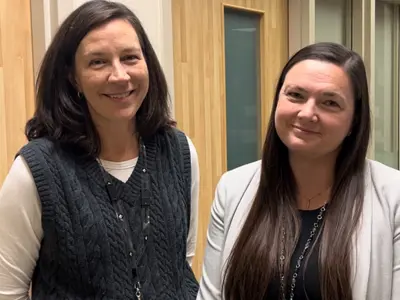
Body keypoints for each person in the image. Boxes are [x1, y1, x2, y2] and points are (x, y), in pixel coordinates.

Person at [0, 1, 199, 299]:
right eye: (98, 62)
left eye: (130, 57)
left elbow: (181, 263)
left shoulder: (179, 152)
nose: (119, 76)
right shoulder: (36, 170)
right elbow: (7, 290)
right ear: (72, 77)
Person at [197, 42, 400, 300]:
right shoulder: (233, 188)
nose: (307, 113)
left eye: (330, 103)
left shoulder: (393, 197)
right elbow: (212, 295)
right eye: (295, 95)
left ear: (354, 121)